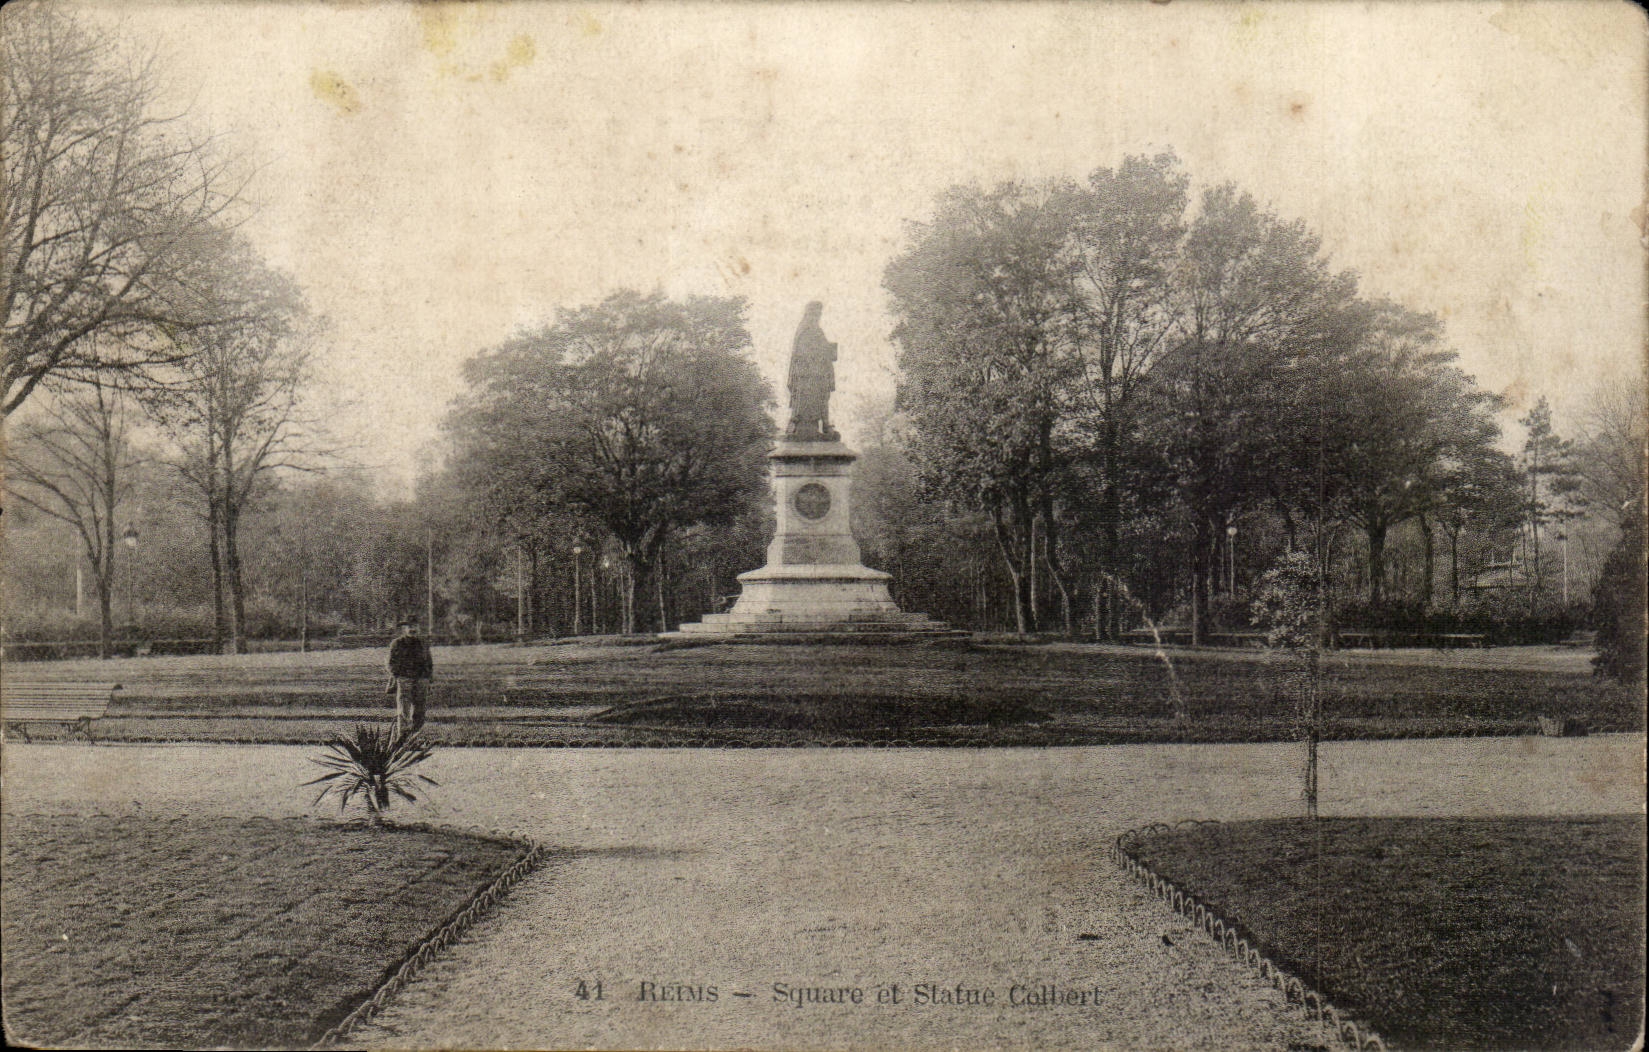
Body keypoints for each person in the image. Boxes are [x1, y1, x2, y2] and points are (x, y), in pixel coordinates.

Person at [386, 619, 433, 738]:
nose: (413, 629)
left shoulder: (423, 643)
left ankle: (415, 735)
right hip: (404, 678)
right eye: (410, 626)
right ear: (404, 629)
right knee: (404, 709)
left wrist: (428, 677)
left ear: (419, 628)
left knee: (420, 709)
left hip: (421, 679)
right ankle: (403, 736)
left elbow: (429, 661)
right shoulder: (397, 643)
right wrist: (398, 675)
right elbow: (390, 662)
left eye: (415, 626)